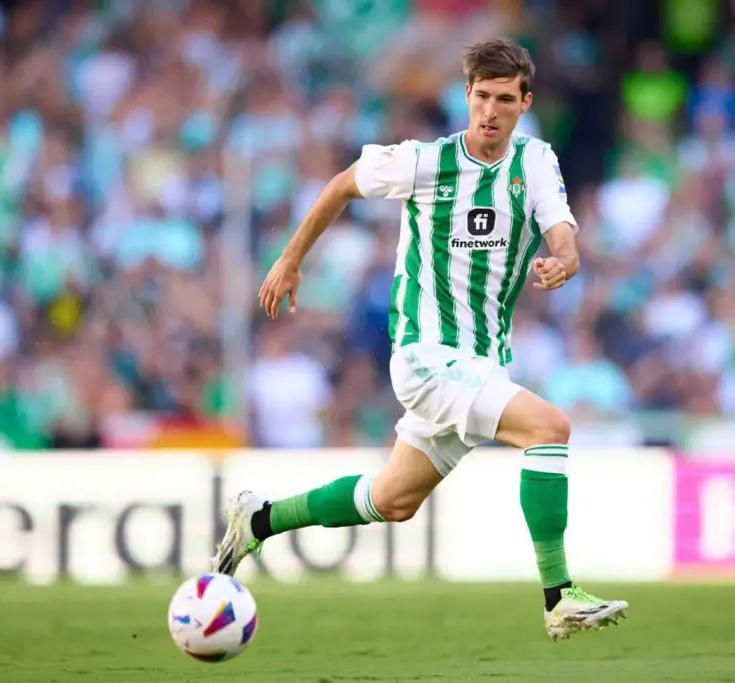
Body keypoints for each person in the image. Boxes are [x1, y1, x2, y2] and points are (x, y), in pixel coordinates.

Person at [212, 37, 629, 641]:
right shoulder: (424, 161)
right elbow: (339, 186)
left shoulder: (535, 161)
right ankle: (558, 596)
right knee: (549, 429)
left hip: (481, 363)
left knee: (393, 499)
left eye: (505, 100)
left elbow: (561, 230)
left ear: (524, 102)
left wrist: (564, 260)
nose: (491, 111)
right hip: (426, 357)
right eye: (481, 97)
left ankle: (259, 520)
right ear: (466, 96)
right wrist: (290, 259)